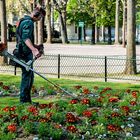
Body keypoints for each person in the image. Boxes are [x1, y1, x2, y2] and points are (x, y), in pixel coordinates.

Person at [16, 7, 46, 103]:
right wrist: (34, 50)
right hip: (24, 54)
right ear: (37, 15)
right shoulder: (28, 23)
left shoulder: (23, 21)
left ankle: (27, 101)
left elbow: (24, 39)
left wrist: (36, 47)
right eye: (40, 17)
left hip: (24, 51)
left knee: (29, 76)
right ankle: (24, 101)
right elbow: (25, 38)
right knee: (27, 77)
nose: (40, 19)